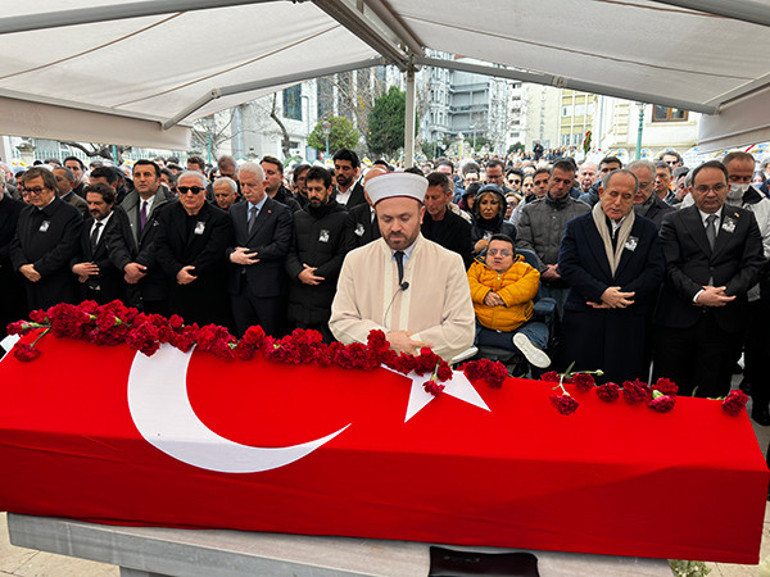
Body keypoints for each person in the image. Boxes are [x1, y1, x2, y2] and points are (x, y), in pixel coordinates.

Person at [330, 172, 475, 361]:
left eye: (405, 218)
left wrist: (410, 345)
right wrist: (385, 341)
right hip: (371, 374)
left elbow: (462, 330)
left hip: (426, 377)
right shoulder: (356, 260)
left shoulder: (449, 262)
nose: (395, 227)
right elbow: (341, 321)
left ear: (421, 215)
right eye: (387, 219)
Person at [653, 160, 766, 398]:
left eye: (718, 187)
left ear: (727, 188)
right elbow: (668, 266)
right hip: (678, 321)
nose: (711, 194)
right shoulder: (673, 220)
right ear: (691, 190)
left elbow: (754, 263)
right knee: (670, 392)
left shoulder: (744, 219)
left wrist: (724, 294)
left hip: (725, 321)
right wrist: (697, 294)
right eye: (703, 188)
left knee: (714, 393)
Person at [558, 169, 665, 383]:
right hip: (585, 319)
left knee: (624, 390)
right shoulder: (578, 227)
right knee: (581, 386)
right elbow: (568, 266)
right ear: (601, 192)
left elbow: (655, 270)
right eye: (613, 194)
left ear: (635, 198)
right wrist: (601, 293)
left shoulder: (647, 230)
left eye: (626, 196)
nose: (618, 202)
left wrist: (620, 297)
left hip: (628, 321)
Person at [155, 171, 232, 327]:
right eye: (184, 190)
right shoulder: (167, 213)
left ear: (204, 192)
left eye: (195, 190)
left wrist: (190, 272)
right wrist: (177, 271)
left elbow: (214, 251)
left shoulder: (219, 218)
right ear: (177, 191)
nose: (189, 194)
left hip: (207, 289)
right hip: (175, 286)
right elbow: (160, 245)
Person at [227, 162, 293, 338]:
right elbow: (225, 243)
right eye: (242, 185)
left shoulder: (281, 211)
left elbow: (280, 246)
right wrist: (232, 256)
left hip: (267, 288)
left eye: (251, 185)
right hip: (239, 288)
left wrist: (248, 254)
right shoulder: (235, 210)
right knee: (243, 338)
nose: (246, 190)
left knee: (269, 339)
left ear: (263, 184)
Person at [516, 160, 590, 315]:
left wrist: (562, 268)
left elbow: (586, 247)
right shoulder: (530, 210)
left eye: (566, 182)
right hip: (536, 282)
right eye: (557, 180)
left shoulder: (583, 211)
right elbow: (523, 243)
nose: (561, 186)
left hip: (571, 284)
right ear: (549, 179)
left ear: (572, 183)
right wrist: (542, 269)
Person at [286, 166, 349, 341]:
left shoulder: (343, 218)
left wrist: (316, 274)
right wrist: (299, 273)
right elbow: (289, 252)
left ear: (329, 189)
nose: (313, 194)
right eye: (309, 189)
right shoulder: (298, 217)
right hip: (299, 296)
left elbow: (343, 256)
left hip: (328, 297)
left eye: (318, 189)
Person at [468, 233, 550, 368]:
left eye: (504, 253)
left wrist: (503, 297)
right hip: (481, 320)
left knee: (539, 329)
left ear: (513, 258)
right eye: (492, 252)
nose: (498, 256)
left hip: (518, 322)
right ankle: (467, 345)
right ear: (486, 256)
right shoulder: (477, 268)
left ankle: (529, 342)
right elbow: (468, 284)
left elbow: (528, 286)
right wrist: (484, 294)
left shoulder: (526, 270)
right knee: (465, 323)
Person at [108, 160, 176, 315]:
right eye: (137, 175)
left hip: (158, 284)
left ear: (158, 180)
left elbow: (162, 240)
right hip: (128, 283)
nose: (142, 179)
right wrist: (126, 265)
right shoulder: (123, 206)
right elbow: (114, 238)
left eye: (147, 175)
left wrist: (139, 266)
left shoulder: (170, 206)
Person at [10, 166, 83, 311]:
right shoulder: (26, 212)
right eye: (28, 190)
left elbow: (66, 248)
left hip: (58, 284)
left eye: (37, 190)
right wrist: (22, 266)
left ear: (51, 188)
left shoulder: (69, 213)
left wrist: (38, 268)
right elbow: (16, 243)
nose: (32, 195)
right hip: (29, 283)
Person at [70, 183, 131, 305]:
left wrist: (89, 271)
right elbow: (76, 250)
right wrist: (75, 267)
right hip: (87, 293)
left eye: (97, 203)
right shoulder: (86, 224)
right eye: (89, 203)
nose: (92, 207)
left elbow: (122, 255)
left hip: (113, 292)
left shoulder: (121, 224)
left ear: (111, 204)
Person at [421, 172, 473, 269]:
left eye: (435, 198)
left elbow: (464, 263)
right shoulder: (417, 222)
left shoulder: (462, 227)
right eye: (427, 197)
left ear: (447, 196)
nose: (430, 203)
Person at [346, 166, 386, 249]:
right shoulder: (355, 213)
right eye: (365, 185)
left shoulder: (394, 214)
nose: (368, 190)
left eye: (372, 186)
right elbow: (349, 245)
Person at [470, 184, 516, 256]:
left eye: (493, 203)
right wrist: (474, 249)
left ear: (500, 206)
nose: (488, 208)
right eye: (484, 203)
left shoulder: (509, 229)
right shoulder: (468, 228)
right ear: (478, 205)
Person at [627, 159, 673, 229]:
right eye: (633, 185)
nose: (637, 191)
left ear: (653, 183)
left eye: (643, 185)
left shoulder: (669, 215)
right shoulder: (613, 210)